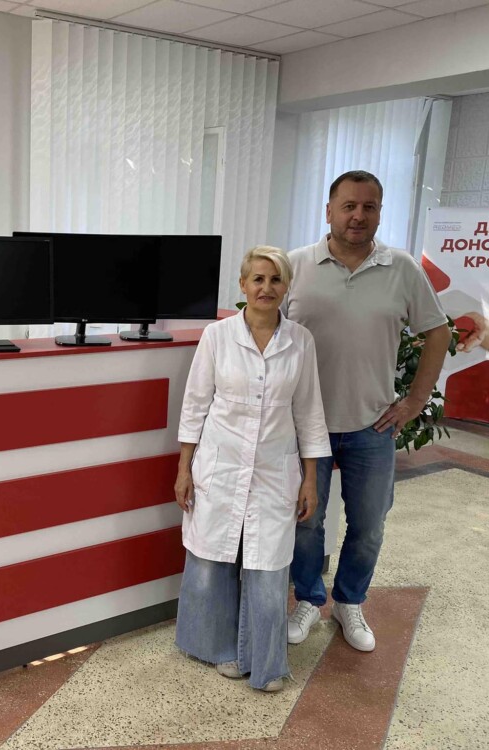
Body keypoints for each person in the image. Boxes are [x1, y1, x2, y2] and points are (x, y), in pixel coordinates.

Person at [284, 170, 451, 653]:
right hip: (305, 427)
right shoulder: (295, 265)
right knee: (306, 523)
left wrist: (415, 402)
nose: (358, 216)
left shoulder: (402, 268)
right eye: (349, 206)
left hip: (371, 426)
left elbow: (438, 332)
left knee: (369, 525)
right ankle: (308, 600)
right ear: (329, 211)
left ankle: (349, 602)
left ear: (379, 213)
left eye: (369, 207)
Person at [174, 246, 330, 693]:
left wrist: (311, 478)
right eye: (257, 279)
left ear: (287, 287)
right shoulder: (217, 336)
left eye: (276, 279)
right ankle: (218, 648)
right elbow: (195, 405)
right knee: (212, 558)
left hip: (274, 470)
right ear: (242, 285)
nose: (266, 288)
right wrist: (184, 468)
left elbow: (310, 414)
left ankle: (265, 662)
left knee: (269, 563)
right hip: (220, 464)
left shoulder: (300, 341)